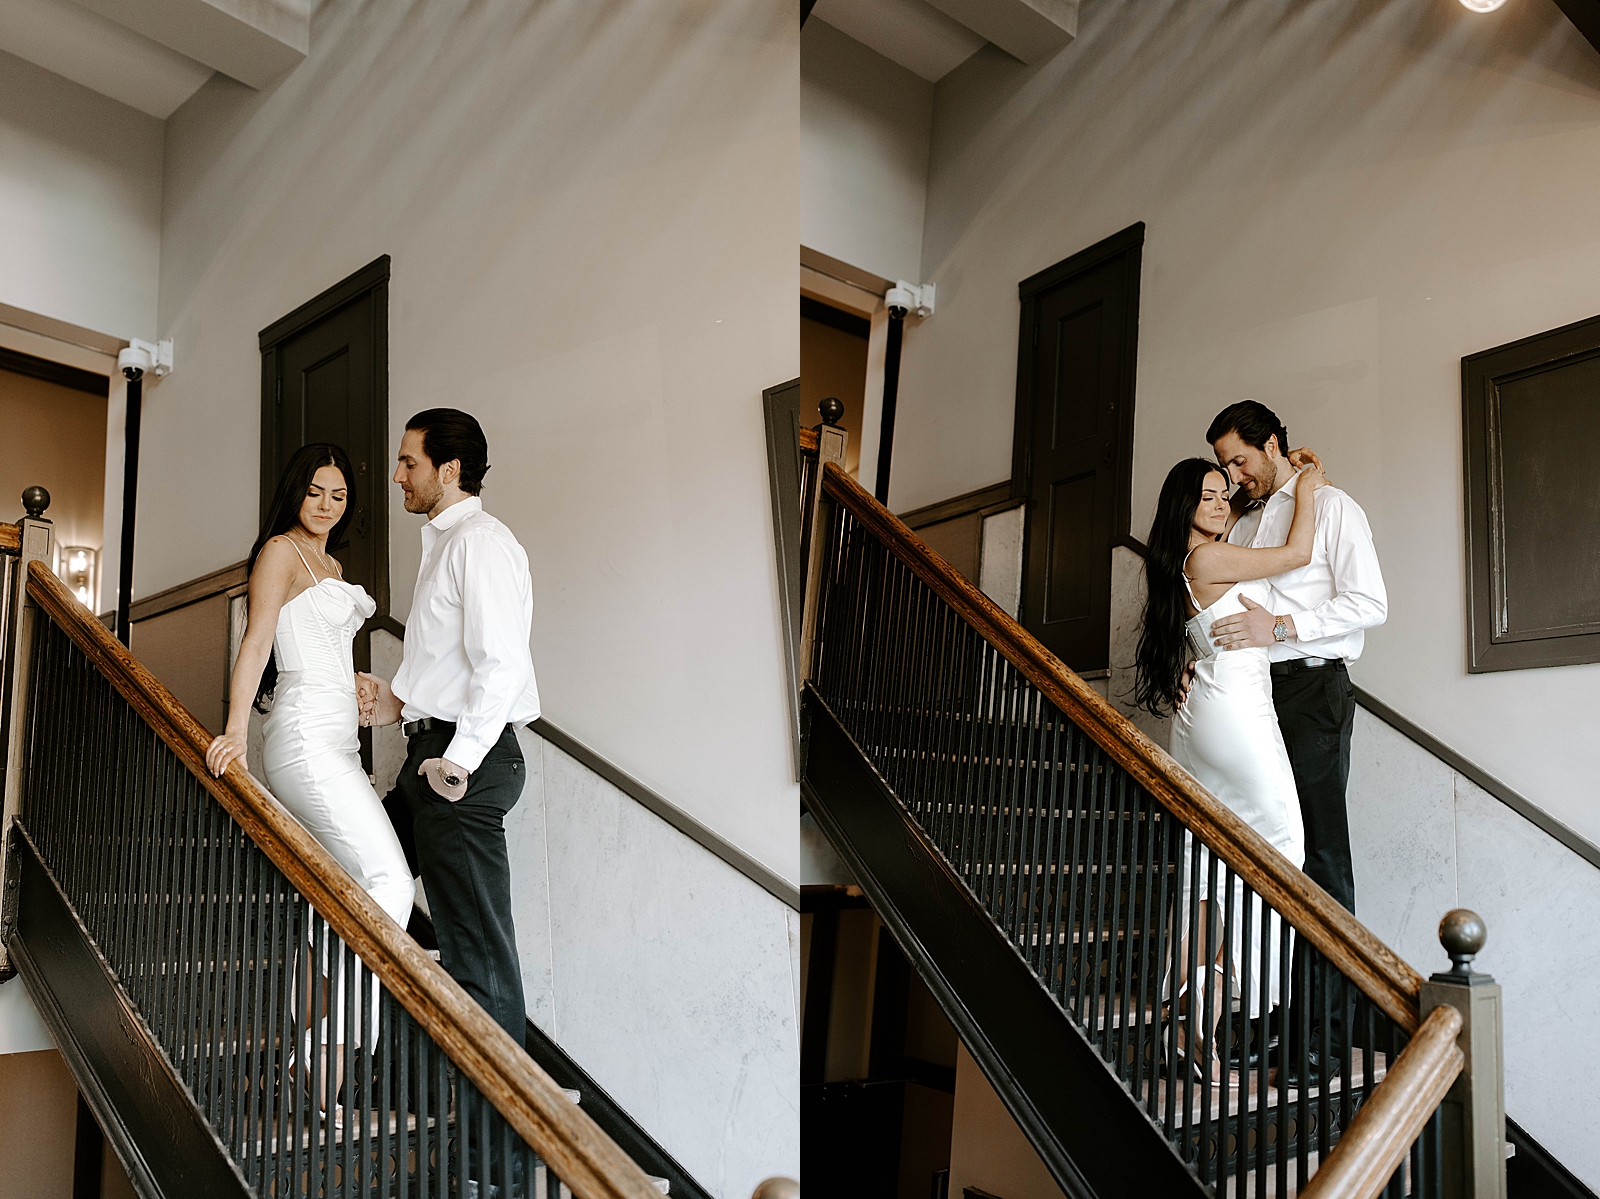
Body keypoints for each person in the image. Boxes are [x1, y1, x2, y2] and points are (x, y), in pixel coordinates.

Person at [205, 441, 415, 1115]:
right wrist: (237, 729)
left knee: (339, 900)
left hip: (339, 740)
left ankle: (320, 1078)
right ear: (296, 490)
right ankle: (315, 1052)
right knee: (389, 882)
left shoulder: (329, 561)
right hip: (300, 739)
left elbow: (319, 643)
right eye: (316, 491)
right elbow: (260, 638)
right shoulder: (280, 552)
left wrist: (354, 685)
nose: (326, 504)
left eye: (340, 495)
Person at [1206, 399, 1387, 1086]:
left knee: (1319, 858)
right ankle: (1265, 1018)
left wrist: (1280, 628)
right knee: (1260, 851)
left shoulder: (1335, 507)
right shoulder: (1244, 523)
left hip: (1312, 693)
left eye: (1241, 459)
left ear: (1275, 444)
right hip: (1251, 698)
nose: (1233, 474)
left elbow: (1370, 603)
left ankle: (1325, 1033)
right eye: (1224, 463)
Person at [1135, 454, 1324, 1085]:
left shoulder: (1192, 559)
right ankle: (1204, 1011)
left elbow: (1243, 506)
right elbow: (1297, 553)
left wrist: (1255, 485)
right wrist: (1311, 488)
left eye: (1226, 494)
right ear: (1184, 506)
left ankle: (1189, 1027)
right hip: (1236, 718)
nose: (1222, 504)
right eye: (1209, 497)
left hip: (1211, 714)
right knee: (1281, 847)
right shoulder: (1209, 560)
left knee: (1211, 874)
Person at [356, 408, 540, 1047]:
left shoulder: (480, 543)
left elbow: (501, 662)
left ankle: (502, 1142)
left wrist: (458, 759)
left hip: (464, 763)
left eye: (410, 462)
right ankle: (376, 1061)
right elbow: (449, 661)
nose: (399, 475)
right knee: (362, 875)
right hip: (431, 754)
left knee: (477, 953)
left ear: (450, 469)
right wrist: (397, 699)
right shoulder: (445, 544)